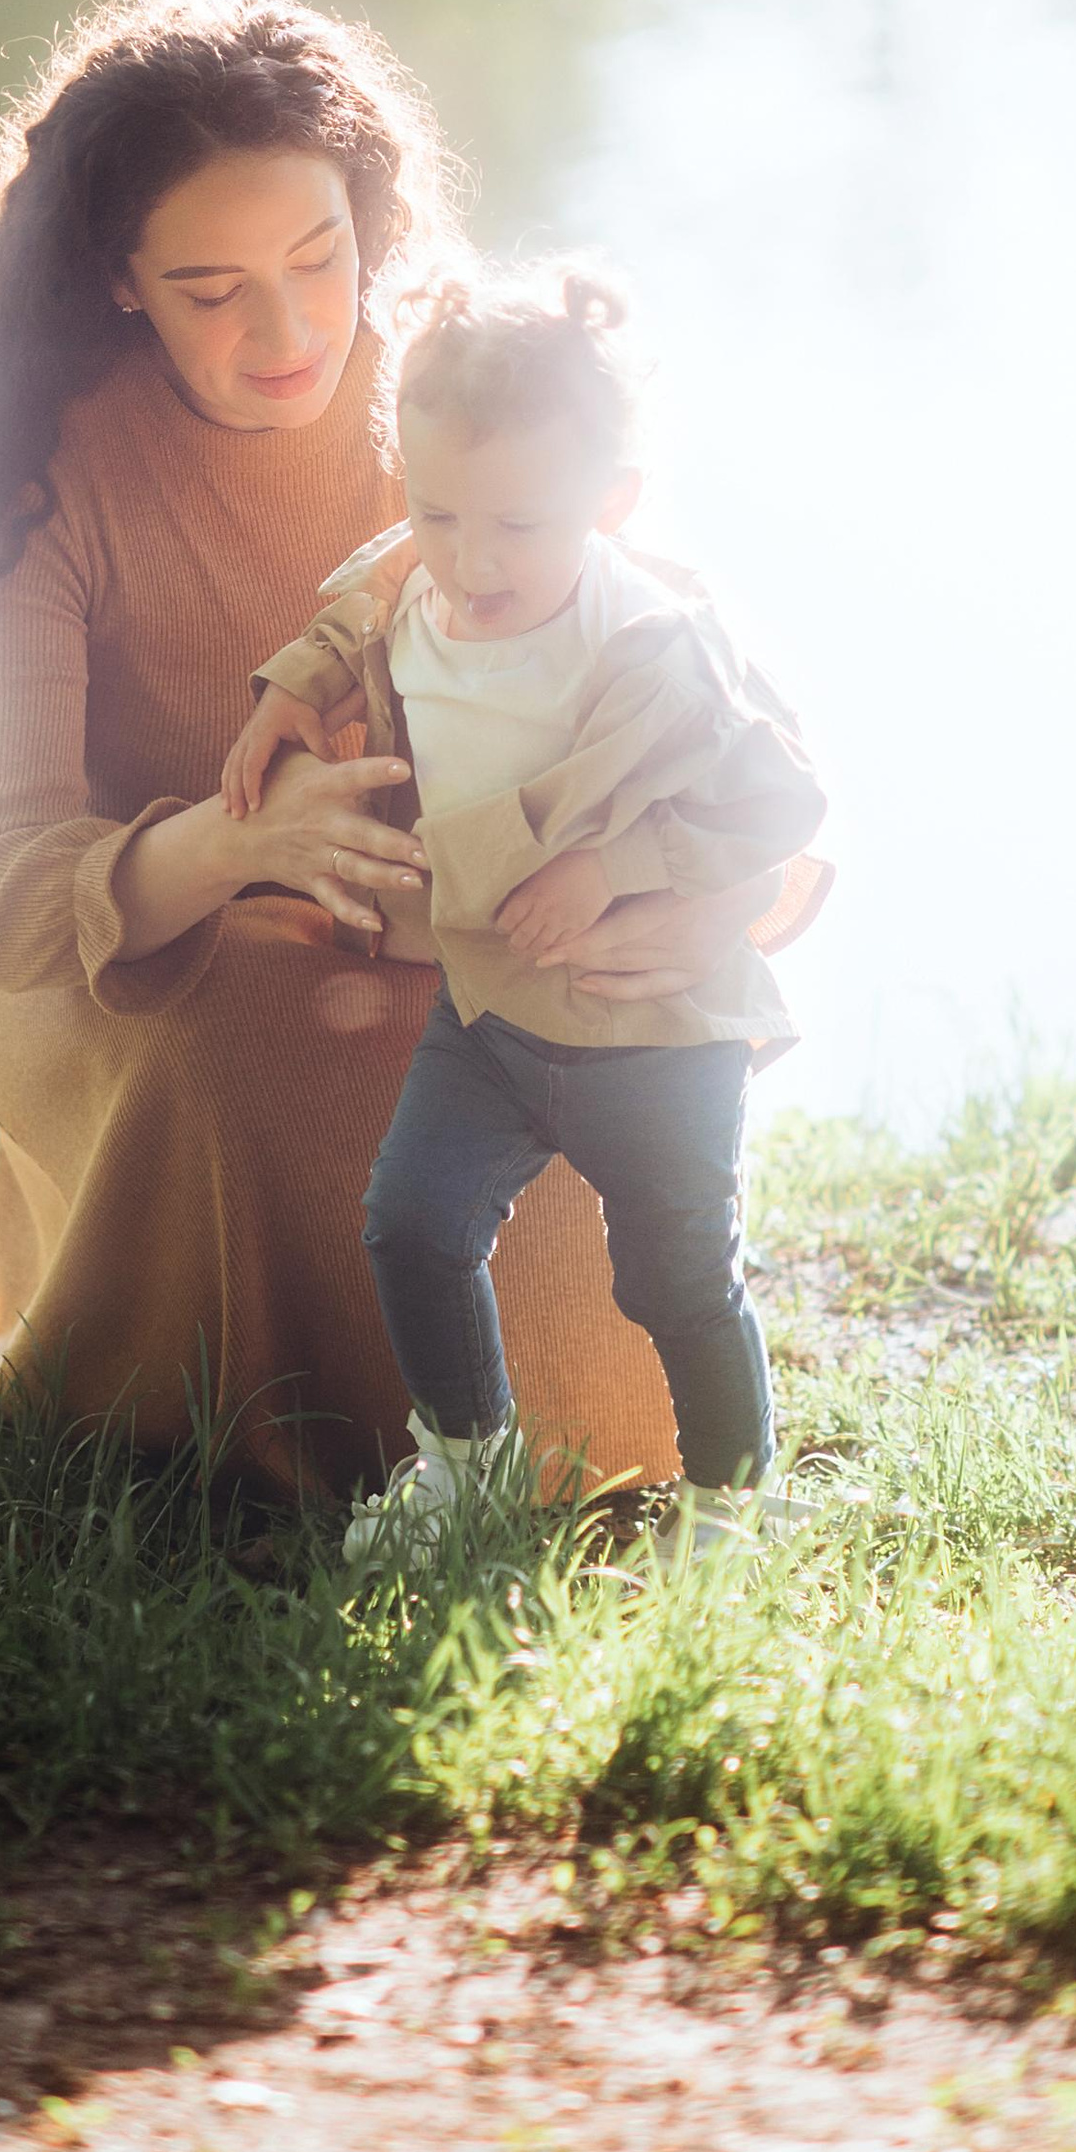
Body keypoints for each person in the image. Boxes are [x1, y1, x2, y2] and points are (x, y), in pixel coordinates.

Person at [0, 0, 820, 1504]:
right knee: (251, 1046)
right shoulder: (35, 474)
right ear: (120, 280)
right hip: (114, 930)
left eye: (322, 260)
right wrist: (238, 845)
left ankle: (570, 1446)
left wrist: (704, 903)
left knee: (572, 1035)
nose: (289, 332)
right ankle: (269, 1446)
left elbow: (695, 684)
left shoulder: (443, 388)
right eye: (212, 291)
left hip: (426, 912)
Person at [223, 270, 826, 1551]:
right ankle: (466, 1462)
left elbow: (779, 800)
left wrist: (619, 867)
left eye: (515, 525)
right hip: (493, 1011)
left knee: (672, 1278)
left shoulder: (658, 640)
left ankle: (729, 1505)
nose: (471, 558)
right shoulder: (417, 586)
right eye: (436, 510)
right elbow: (367, 595)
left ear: (609, 507)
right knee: (413, 1222)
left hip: (653, 1023)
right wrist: (293, 681)